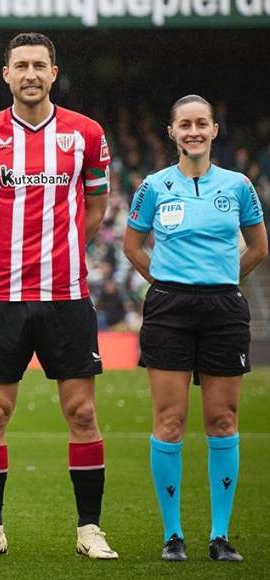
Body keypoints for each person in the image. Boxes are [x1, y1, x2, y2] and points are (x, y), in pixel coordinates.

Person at [0, 33, 118, 559]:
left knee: (82, 412)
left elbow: (95, 208)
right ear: (6, 74)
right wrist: (7, 258)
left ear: (53, 73)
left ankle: (89, 529)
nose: (30, 73)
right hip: (3, 297)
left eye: (39, 66)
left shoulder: (86, 134)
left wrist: (62, 249)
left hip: (67, 297)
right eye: (20, 65)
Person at [123, 94, 268, 563]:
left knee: (222, 421)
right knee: (170, 423)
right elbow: (132, 246)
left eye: (201, 123)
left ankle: (220, 535)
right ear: (171, 132)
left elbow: (257, 247)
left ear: (214, 130)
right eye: (184, 124)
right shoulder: (154, 186)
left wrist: (221, 279)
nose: (194, 132)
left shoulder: (240, 186)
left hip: (224, 308)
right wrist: (167, 284)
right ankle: (173, 535)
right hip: (169, 310)